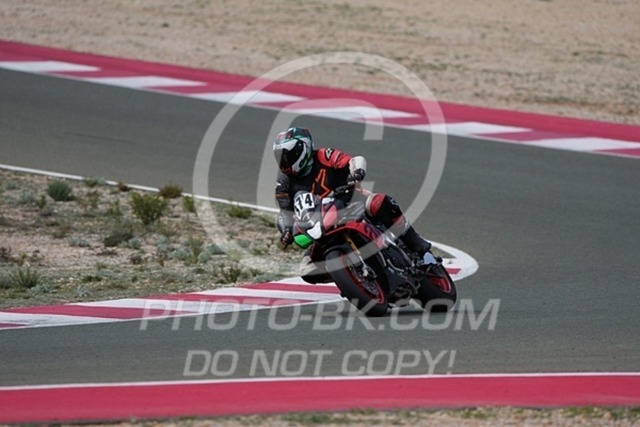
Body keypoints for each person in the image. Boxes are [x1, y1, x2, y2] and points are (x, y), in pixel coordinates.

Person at [272, 127, 433, 281]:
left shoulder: (323, 155)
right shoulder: (283, 183)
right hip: (321, 223)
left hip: (350, 201)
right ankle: (350, 275)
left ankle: (416, 244)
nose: (284, 161)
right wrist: (286, 230)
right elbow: (285, 212)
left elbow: (354, 161)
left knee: (379, 203)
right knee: (307, 270)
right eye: (280, 157)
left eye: (288, 156)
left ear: (303, 149)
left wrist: (357, 172)